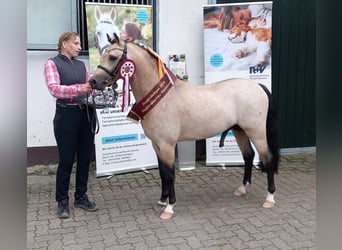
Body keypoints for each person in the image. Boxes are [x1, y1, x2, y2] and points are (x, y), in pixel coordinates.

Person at [43, 31, 98, 219]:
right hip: (66, 114)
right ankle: (62, 201)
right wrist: (80, 88)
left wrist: (97, 89)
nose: (79, 46)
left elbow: (90, 87)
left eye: (79, 43)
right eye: (75, 43)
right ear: (64, 43)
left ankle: (81, 196)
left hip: (86, 114)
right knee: (66, 161)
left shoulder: (83, 65)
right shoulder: (52, 63)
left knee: (84, 159)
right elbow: (54, 89)